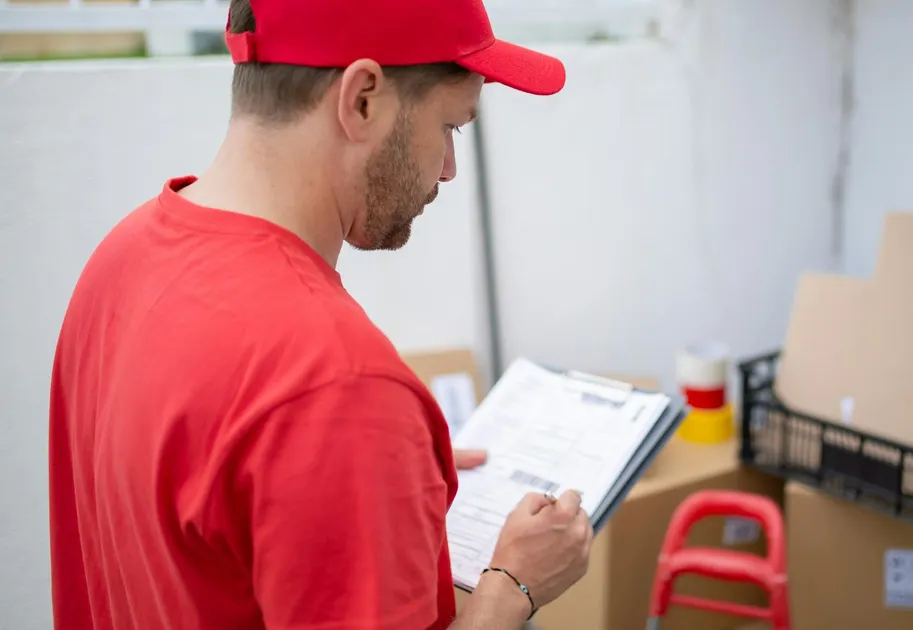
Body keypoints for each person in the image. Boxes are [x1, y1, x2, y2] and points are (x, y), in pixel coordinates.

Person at [47, 0, 591, 628]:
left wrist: (380, 465)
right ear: (362, 97)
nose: (448, 169)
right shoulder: (337, 385)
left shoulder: (119, 261)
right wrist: (513, 587)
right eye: (451, 126)